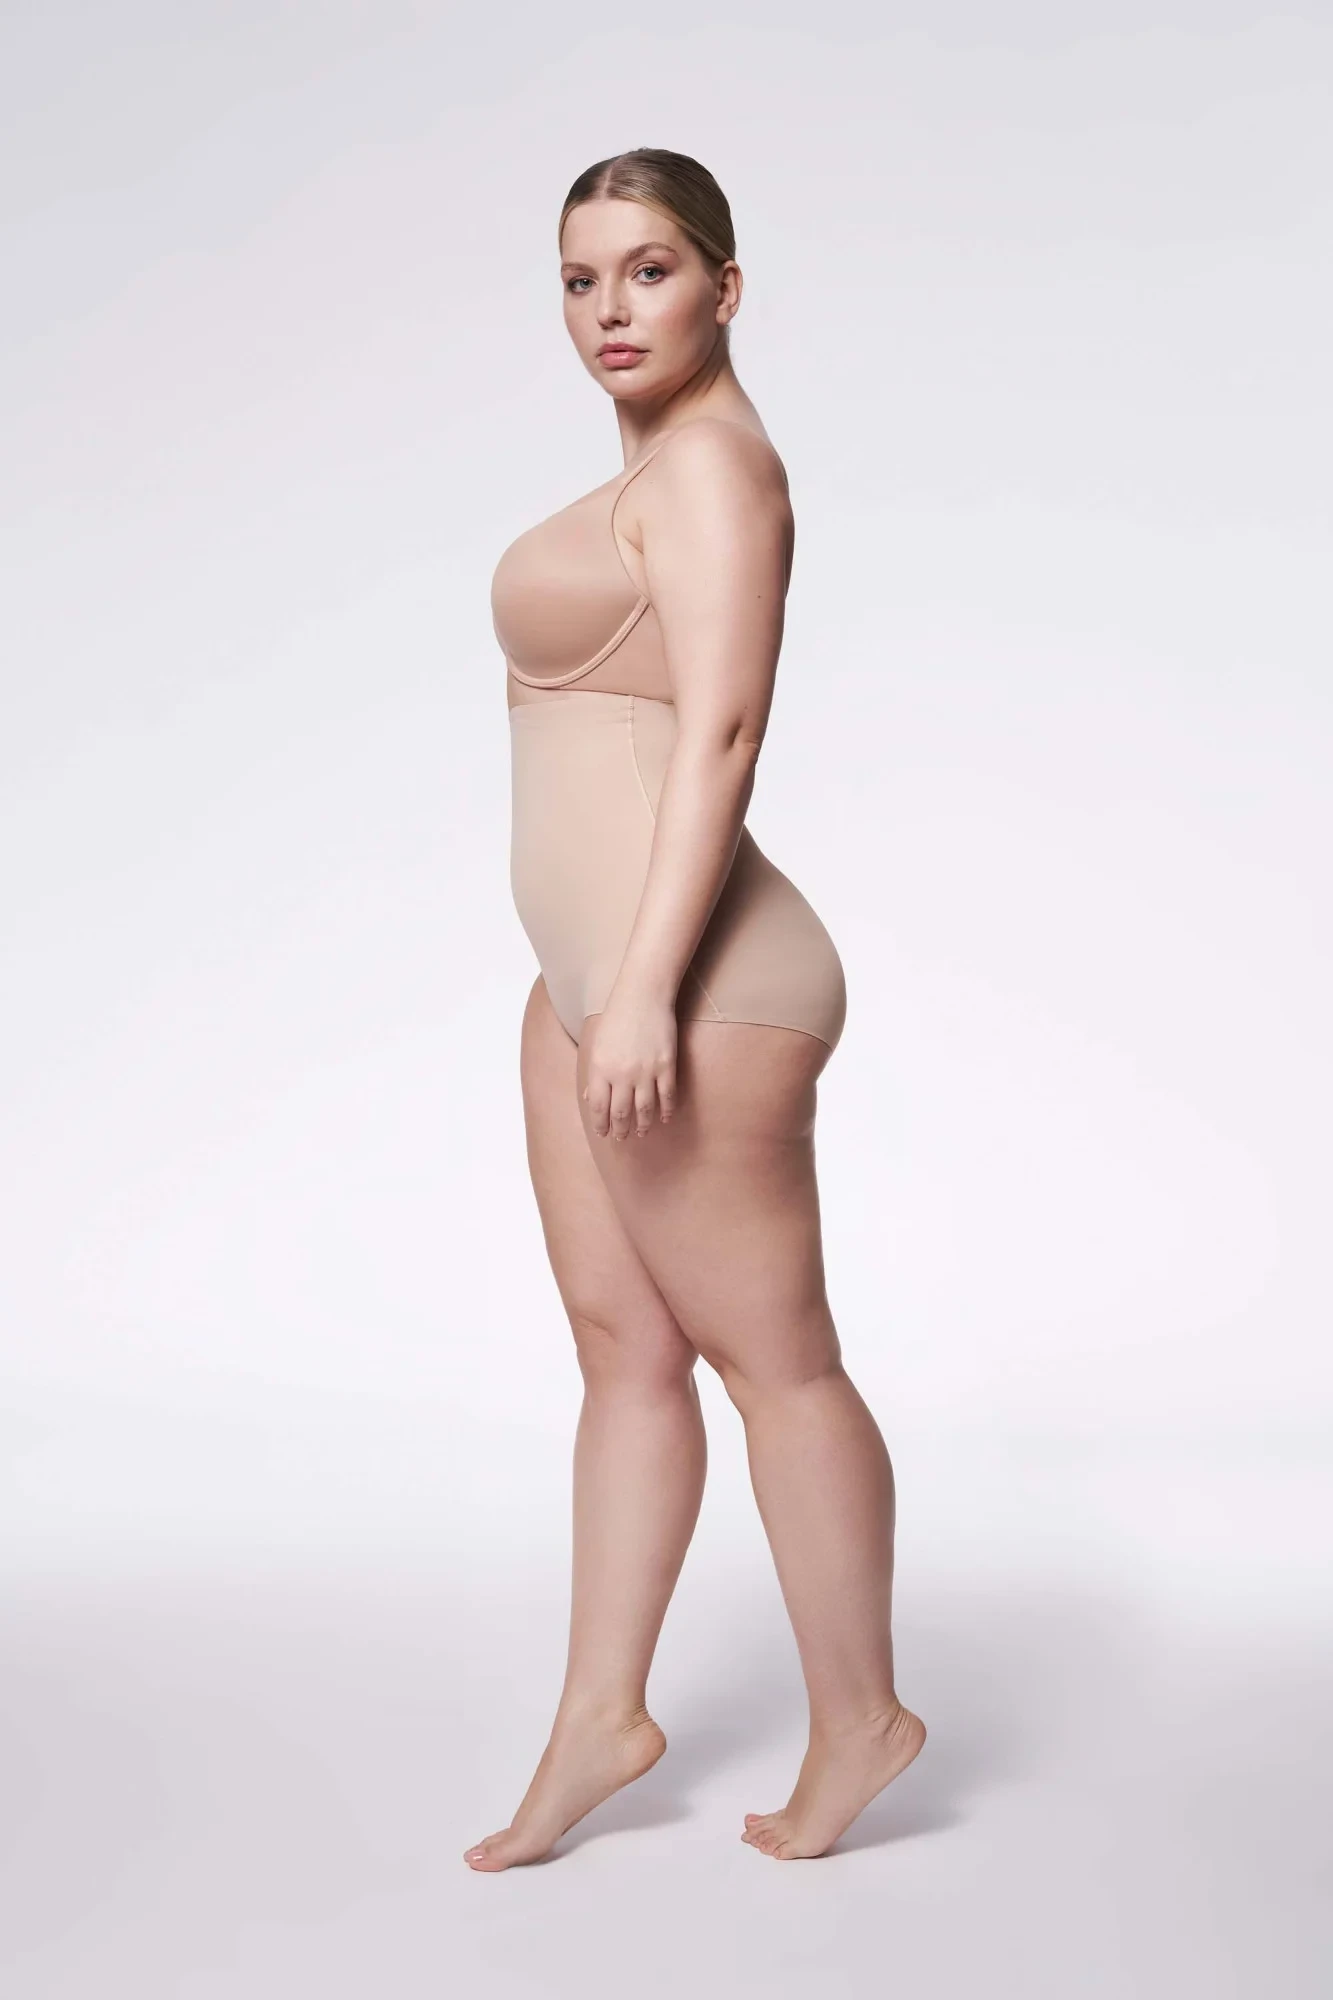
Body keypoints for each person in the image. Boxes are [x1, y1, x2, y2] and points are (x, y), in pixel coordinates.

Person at [465, 148, 924, 1871]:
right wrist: (592, 991)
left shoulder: (720, 469)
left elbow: (724, 730)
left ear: (726, 288)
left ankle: (864, 1717)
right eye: (580, 279)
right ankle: (603, 1715)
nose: (610, 309)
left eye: (648, 271)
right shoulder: (648, 474)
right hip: (593, 985)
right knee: (625, 1351)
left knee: (771, 1359)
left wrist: (647, 990)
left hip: (702, 988)